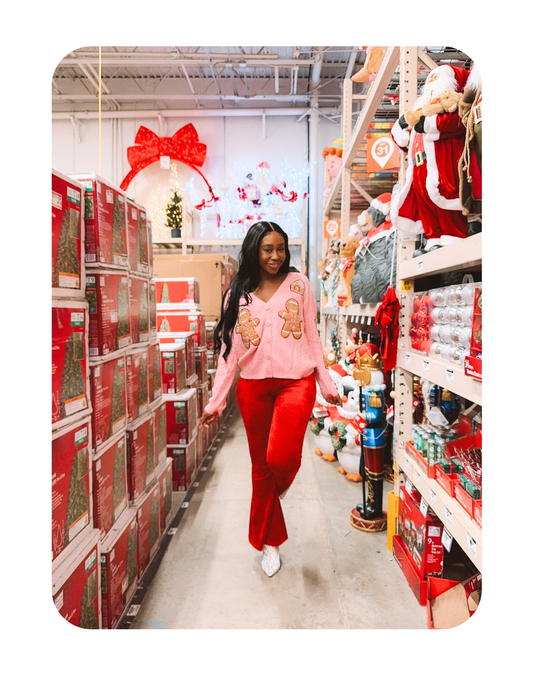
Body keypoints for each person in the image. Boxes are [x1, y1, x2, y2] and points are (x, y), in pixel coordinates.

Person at [198, 221, 341, 577]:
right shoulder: (238, 293)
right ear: (253, 251)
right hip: (253, 388)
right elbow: (229, 354)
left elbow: (312, 336)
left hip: (297, 382)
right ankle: (270, 544)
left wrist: (326, 383)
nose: (276, 256)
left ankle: (270, 499)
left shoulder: (299, 284)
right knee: (261, 468)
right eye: (267, 249)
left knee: (280, 457)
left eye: (280, 248)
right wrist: (216, 402)